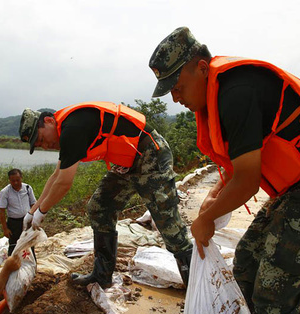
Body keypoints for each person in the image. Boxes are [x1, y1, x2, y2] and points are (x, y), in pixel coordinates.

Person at [149, 27, 300, 314]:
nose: (176, 97)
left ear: (201, 67)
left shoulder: (236, 93)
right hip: (296, 184)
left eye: (177, 86)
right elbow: (234, 169)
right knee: (246, 260)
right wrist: (211, 202)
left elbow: (247, 180)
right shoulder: (218, 93)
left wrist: (207, 219)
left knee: (274, 288)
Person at [19, 102, 193, 287]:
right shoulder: (66, 132)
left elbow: (63, 183)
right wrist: (32, 211)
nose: (45, 146)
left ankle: (194, 285)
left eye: (41, 139)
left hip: (149, 152)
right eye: (39, 145)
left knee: (167, 223)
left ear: (48, 121)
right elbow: (56, 176)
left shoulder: (72, 127)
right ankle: (102, 275)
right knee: (99, 207)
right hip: (127, 163)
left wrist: (42, 212)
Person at [0, 168, 36, 255]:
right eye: (13, 181)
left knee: (30, 244)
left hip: (27, 220)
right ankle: (12, 266)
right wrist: (5, 229)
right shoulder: (5, 192)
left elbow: (33, 204)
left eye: (17, 180)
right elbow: (2, 211)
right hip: (14, 223)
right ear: (9, 180)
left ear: (21, 178)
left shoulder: (27, 188)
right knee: (14, 246)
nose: (15, 183)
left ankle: (32, 265)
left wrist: (34, 219)